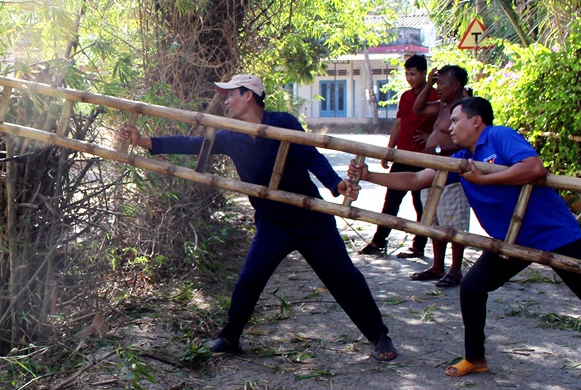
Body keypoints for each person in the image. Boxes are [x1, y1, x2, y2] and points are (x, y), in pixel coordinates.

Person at [348, 97, 581, 390]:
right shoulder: (461, 159)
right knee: (473, 287)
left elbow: (534, 168)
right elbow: (417, 179)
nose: (450, 126)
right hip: (510, 240)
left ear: (477, 121)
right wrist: (369, 176)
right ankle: (476, 358)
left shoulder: (499, 136)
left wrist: (483, 179)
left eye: (455, 120)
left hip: (553, 233)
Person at [119, 74, 397, 361]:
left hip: (310, 214)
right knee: (250, 278)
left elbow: (310, 156)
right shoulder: (229, 134)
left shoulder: (283, 123)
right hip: (272, 220)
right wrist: (144, 141)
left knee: (343, 277)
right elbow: (193, 144)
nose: (225, 102)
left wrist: (335, 184)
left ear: (248, 95)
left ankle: (379, 335)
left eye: (230, 95)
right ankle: (230, 337)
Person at [360, 54, 437, 257]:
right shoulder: (405, 97)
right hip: (403, 155)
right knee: (391, 200)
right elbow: (399, 123)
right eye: (407, 74)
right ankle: (378, 241)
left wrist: (431, 137)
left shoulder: (436, 97)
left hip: (423, 158)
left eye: (413, 74)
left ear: (423, 73)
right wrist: (389, 149)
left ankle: (418, 245)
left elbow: (444, 123)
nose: (409, 78)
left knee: (420, 204)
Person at [407, 64, 471, 288]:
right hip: (432, 169)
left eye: (443, 84)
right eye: (438, 83)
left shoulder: (465, 108)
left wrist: (434, 149)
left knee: (453, 222)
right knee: (433, 220)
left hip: (451, 172)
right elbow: (418, 108)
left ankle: (455, 269)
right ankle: (437, 265)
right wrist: (430, 84)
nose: (439, 89)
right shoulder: (443, 106)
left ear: (456, 85)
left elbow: (463, 140)